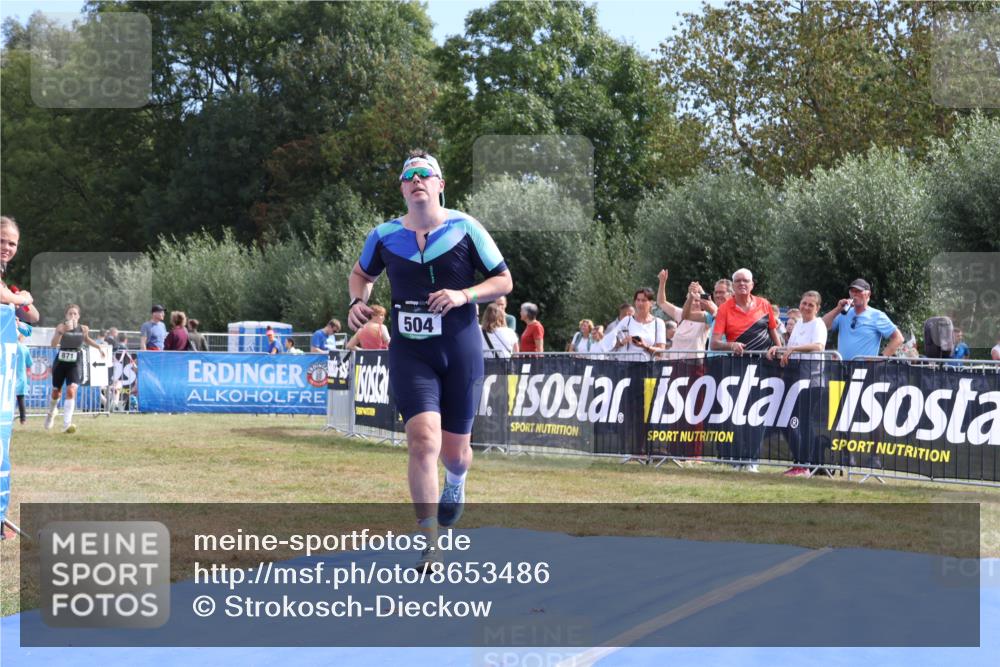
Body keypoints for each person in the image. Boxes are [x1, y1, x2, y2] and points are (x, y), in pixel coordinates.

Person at [347, 150, 512, 571]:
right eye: (409, 175)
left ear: (441, 184)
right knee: (422, 443)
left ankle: (456, 481)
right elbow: (361, 275)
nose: (417, 179)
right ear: (403, 188)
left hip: (459, 348)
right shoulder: (383, 236)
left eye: (426, 173)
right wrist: (356, 301)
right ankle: (430, 541)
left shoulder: (466, 227)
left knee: (455, 454)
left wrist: (463, 295)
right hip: (411, 352)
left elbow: (503, 280)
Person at [710, 269, 782, 471]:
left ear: (752, 284)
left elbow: (774, 335)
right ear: (733, 285)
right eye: (738, 281)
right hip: (736, 365)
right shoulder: (724, 308)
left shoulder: (764, 304)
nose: (742, 284)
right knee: (735, 412)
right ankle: (736, 458)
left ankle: (751, 459)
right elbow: (714, 343)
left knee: (757, 413)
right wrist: (731, 345)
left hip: (762, 365)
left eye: (746, 281)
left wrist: (778, 348)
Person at [767, 291, 828, 476]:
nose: (806, 307)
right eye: (804, 303)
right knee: (791, 421)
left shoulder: (818, 324)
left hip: (812, 380)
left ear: (817, 308)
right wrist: (778, 349)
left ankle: (805, 464)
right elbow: (790, 349)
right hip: (795, 378)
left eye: (811, 304)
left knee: (802, 422)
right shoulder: (800, 323)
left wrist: (793, 349)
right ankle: (800, 462)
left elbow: (818, 346)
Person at [44, 304, 105, 433]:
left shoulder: (83, 328)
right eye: (70, 313)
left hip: (75, 362)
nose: (72, 316)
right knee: (56, 392)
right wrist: (61, 332)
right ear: (66, 316)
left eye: (75, 314)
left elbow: (86, 340)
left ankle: (67, 424)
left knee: (71, 390)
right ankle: (51, 413)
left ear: (79, 316)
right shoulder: (61, 327)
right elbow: (53, 344)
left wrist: (99, 347)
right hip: (61, 361)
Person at [821, 278, 903, 361]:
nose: (855, 294)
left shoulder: (877, 315)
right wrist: (838, 309)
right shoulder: (843, 313)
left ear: (868, 294)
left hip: (864, 369)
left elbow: (898, 338)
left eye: (858, 291)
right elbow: (821, 326)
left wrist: (880, 358)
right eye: (852, 291)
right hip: (842, 368)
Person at [656, 269, 717, 358]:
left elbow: (716, 312)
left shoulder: (705, 317)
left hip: (695, 365)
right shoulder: (680, 314)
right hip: (676, 364)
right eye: (692, 299)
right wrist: (662, 282)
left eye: (698, 300)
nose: (696, 303)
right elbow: (661, 302)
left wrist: (701, 290)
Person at [603, 288, 667, 359]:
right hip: (627, 366)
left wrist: (645, 346)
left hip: (648, 367)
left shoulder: (658, 323)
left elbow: (661, 352)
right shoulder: (627, 320)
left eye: (644, 300)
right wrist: (621, 342)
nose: (640, 303)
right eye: (638, 300)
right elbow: (607, 343)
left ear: (651, 303)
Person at [0, 216, 40, 323]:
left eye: (12, 244)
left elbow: (34, 317)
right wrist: (23, 300)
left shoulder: (3, 284)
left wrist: (18, 297)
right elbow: (2, 296)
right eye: (1, 241)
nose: (6, 247)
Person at [15, 324, 33, 425]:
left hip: (9, 377)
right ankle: (23, 420)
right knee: (20, 399)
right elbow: (29, 363)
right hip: (21, 377)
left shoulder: (8, 346)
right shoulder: (25, 348)